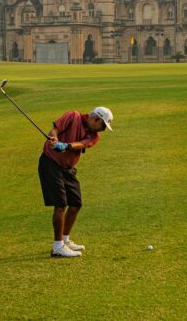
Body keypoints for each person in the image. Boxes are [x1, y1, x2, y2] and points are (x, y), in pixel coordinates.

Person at [38, 106, 114, 258]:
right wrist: (54, 139)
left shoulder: (95, 135)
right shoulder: (72, 116)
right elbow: (54, 130)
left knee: (75, 204)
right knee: (60, 205)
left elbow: (83, 144)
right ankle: (57, 247)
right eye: (103, 126)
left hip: (68, 168)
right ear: (96, 119)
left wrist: (66, 146)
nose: (102, 130)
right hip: (51, 163)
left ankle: (65, 240)